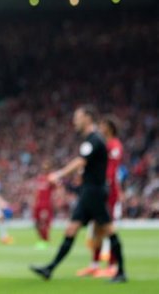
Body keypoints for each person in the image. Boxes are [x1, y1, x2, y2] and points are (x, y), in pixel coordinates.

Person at [29, 105, 127, 283]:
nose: (75, 120)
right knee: (72, 229)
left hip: (95, 192)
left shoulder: (94, 139)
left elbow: (81, 161)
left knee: (108, 228)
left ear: (88, 118)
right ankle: (50, 269)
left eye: (78, 117)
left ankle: (120, 271)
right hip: (88, 191)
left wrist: (59, 174)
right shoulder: (93, 139)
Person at [76, 114, 124, 278]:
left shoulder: (114, 145)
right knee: (96, 228)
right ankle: (94, 265)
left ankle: (112, 265)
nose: (99, 128)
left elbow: (112, 169)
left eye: (102, 124)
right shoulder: (102, 143)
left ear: (109, 127)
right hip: (98, 188)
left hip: (108, 190)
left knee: (106, 227)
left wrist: (106, 184)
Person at [32, 161, 56, 249]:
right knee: (36, 223)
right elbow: (36, 192)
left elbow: (57, 188)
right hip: (38, 204)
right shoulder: (39, 178)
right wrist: (34, 202)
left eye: (46, 168)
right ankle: (41, 239)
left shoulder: (51, 178)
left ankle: (45, 241)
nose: (44, 169)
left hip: (46, 204)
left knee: (44, 223)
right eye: (43, 168)